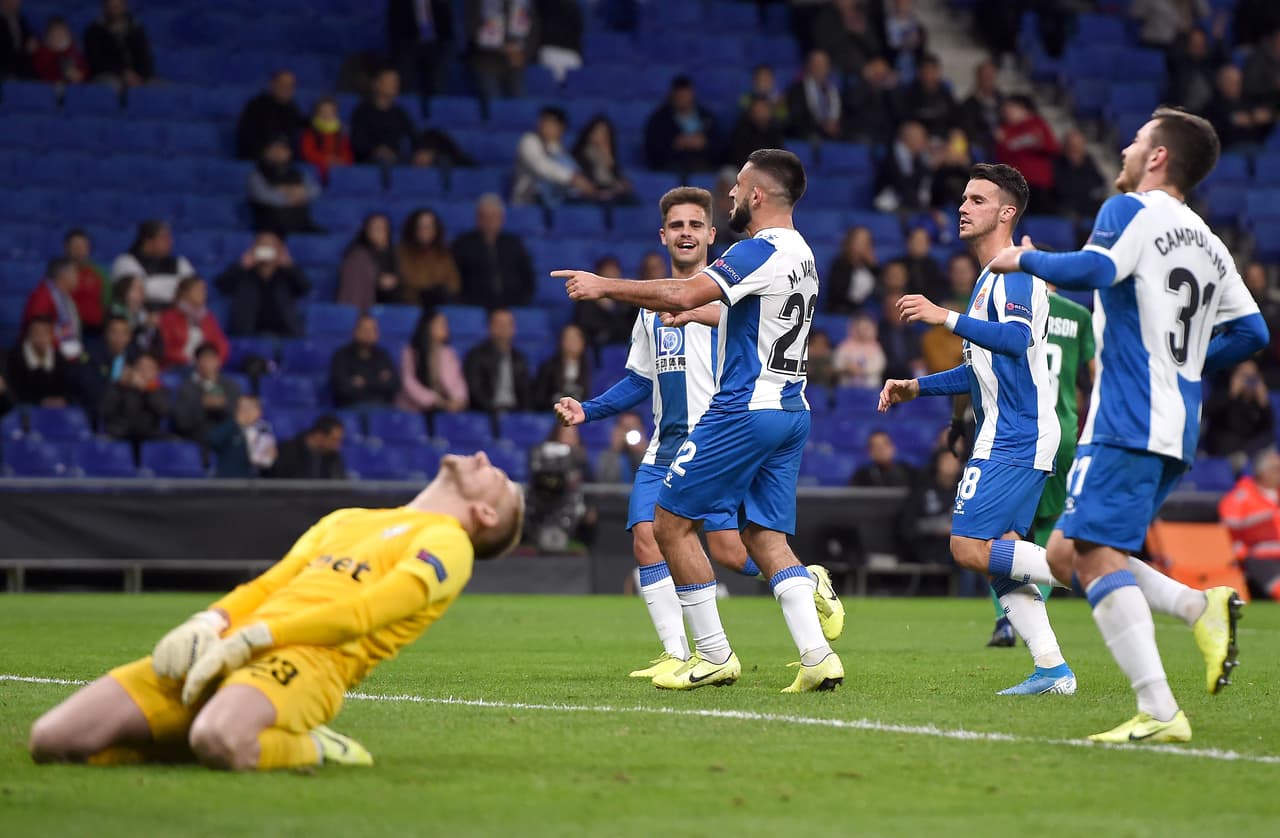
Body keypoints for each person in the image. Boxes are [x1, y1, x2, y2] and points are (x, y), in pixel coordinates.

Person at [988, 107, 1270, 742]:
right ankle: (1198, 608)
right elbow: (1253, 331)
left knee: (1086, 552)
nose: (1125, 147)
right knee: (1066, 553)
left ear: (1159, 157)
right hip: (1176, 425)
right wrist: (1188, 367)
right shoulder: (1210, 241)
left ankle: (1161, 709)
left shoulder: (1131, 211)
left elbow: (1095, 271)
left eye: (1138, 139)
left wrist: (1025, 260)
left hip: (1126, 418)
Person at [27, 452, 523, 771]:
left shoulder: (449, 545)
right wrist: (210, 621)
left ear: (486, 515)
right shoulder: (348, 519)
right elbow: (269, 584)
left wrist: (256, 638)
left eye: (495, 475)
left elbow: (362, 614)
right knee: (52, 741)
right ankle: (189, 731)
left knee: (221, 740)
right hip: (238, 640)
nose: (482, 456)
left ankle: (316, 747)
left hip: (309, 661)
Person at [558, 149, 844, 692]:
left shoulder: (756, 250)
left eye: (738, 187)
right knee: (762, 537)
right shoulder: (802, 252)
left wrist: (604, 286)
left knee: (668, 524)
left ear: (757, 195)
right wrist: (696, 312)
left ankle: (712, 655)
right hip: (791, 408)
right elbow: (732, 309)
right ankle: (817, 655)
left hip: (744, 408)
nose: (732, 195)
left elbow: (688, 290)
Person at [877, 163, 1075, 696]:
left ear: (1007, 213)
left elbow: (1015, 341)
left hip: (1018, 432)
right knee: (1001, 553)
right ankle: (1053, 670)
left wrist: (942, 316)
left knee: (967, 547)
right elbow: (981, 368)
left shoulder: (1014, 273)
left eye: (977, 200)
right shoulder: (990, 278)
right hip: (1004, 430)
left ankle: (1104, 574)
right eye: (964, 198)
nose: (963, 207)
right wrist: (917, 388)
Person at [981, 284, 1095, 647]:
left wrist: (956, 423)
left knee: (997, 529)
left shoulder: (1007, 301)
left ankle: (1006, 618)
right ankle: (1035, 618)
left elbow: (976, 366)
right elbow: (1098, 376)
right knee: (1048, 529)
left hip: (1016, 431)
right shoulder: (1079, 316)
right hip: (1063, 433)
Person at [216, 234, 311, 338]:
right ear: (254, 249)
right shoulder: (243, 274)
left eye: (270, 247)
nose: (266, 250)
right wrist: (241, 265)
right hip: (250, 333)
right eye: (262, 246)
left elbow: (305, 288)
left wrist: (290, 266)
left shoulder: (286, 275)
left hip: (285, 334)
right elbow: (222, 285)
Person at [451, 194, 535, 309]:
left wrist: (522, 301)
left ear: (501, 218)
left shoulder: (514, 244)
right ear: (478, 219)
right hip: (475, 305)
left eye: (494, 217)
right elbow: (455, 279)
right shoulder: (462, 245)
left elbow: (527, 276)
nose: (490, 222)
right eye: (486, 217)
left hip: (512, 305)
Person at [1219, 448, 1280, 601]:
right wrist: (1243, 554)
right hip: (1260, 557)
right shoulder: (1241, 497)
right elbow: (1228, 532)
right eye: (1276, 469)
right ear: (1262, 472)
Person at [511, 106, 595, 207]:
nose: (543, 125)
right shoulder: (529, 141)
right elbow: (541, 166)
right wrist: (572, 178)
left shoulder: (561, 151)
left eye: (550, 122)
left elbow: (576, 175)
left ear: (561, 128)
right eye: (542, 120)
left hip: (559, 203)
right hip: (528, 203)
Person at [1202, 360, 1274, 469]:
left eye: (1253, 377)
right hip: (1224, 453)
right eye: (1245, 376)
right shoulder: (1224, 395)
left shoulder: (1258, 403)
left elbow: (1268, 431)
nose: (1249, 381)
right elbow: (1207, 413)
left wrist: (1264, 404)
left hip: (1250, 454)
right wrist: (1231, 392)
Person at [396, 309, 468, 417]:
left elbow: (458, 381)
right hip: (415, 408)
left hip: (445, 407)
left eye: (446, 324)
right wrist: (434, 400)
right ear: (427, 327)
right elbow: (409, 382)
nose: (445, 327)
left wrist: (458, 399)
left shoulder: (449, 353)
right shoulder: (411, 352)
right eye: (440, 323)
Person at [993, 96, 1059, 213]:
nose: (1006, 112)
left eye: (1011, 108)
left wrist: (1038, 144)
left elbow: (1053, 148)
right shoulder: (1005, 131)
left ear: (1023, 109)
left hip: (1040, 184)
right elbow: (1001, 157)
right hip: (1015, 185)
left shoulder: (1038, 124)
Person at [111, 220, 196, 308]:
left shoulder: (180, 263)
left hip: (175, 318)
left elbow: (193, 291)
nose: (170, 242)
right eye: (164, 238)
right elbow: (138, 291)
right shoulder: (125, 261)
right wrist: (177, 288)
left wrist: (150, 284)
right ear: (148, 241)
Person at [464, 0, 539, 99]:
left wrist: (524, 54)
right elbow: (471, 29)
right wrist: (503, 47)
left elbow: (534, 29)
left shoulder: (524, 2)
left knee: (520, 102)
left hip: (515, 62)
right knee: (494, 101)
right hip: (486, 60)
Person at [248, 137, 323, 235]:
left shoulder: (299, 173)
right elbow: (262, 196)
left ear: (289, 153)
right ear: (266, 152)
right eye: (274, 149)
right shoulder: (256, 175)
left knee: (323, 238)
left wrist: (301, 193)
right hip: (270, 228)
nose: (278, 153)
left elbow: (316, 191)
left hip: (300, 224)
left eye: (282, 149)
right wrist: (291, 196)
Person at [644, 75, 718, 174]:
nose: (683, 99)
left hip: (703, 165)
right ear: (673, 96)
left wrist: (704, 143)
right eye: (679, 96)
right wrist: (675, 144)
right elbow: (652, 150)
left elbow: (719, 147)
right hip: (671, 166)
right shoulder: (659, 119)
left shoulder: (707, 117)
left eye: (685, 95)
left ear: (692, 94)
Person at [463, 308, 531, 414]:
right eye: (499, 324)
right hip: (486, 413)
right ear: (490, 327)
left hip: (515, 413)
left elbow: (526, 391)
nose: (504, 328)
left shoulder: (519, 358)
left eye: (508, 324)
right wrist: (493, 410)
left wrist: (522, 412)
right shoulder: (476, 356)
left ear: (514, 328)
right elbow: (475, 390)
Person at [173, 343, 242, 444]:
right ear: (197, 362)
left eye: (211, 359)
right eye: (204, 359)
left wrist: (223, 406)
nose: (207, 364)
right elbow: (182, 422)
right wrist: (202, 405)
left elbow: (238, 416)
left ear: (218, 361)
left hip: (227, 434)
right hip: (199, 435)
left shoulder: (229, 386)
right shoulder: (186, 387)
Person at [388, 0, 455, 101]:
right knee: (406, 83)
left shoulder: (439, 3)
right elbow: (395, 24)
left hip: (434, 47)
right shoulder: (400, 3)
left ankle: (436, 110)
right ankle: (408, 108)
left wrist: (444, 41)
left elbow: (446, 21)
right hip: (409, 47)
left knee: (437, 85)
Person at [100, 351, 168, 447]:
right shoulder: (120, 387)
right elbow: (105, 410)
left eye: (149, 368)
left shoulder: (159, 390)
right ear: (134, 369)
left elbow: (163, 410)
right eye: (141, 367)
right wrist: (120, 386)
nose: (144, 372)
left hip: (148, 438)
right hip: (121, 436)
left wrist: (145, 389)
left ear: (156, 373)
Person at [329, 315, 399, 409]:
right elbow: (342, 389)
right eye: (364, 329)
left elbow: (394, 384)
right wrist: (378, 381)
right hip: (352, 407)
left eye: (372, 330)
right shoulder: (341, 356)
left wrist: (362, 382)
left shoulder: (383, 355)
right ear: (355, 332)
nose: (368, 333)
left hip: (381, 406)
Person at [235, 70, 306, 162]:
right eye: (282, 85)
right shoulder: (256, 105)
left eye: (290, 86)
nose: (286, 89)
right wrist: (265, 151)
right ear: (272, 85)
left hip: (284, 155)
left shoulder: (292, 108)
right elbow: (246, 135)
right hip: (257, 154)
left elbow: (300, 125)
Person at [158, 277, 229, 369]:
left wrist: (215, 360)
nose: (203, 293)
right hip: (178, 366)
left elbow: (220, 343)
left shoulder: (207, 317)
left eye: (204, 290)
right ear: (185, 293)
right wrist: (190, 360)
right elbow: (165, 348)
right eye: (198, 290)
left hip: (205, 366)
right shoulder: (169, 317)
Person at [22, 258, 83, 362]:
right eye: (75, 273)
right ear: (64, 275)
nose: (78, 277)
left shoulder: (65, 297)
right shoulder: (42, 297)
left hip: (64, 355)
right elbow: (38, 333)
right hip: (47, 360)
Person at [397, 209, 461, 308]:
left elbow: (454, 284)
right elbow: (407, 282)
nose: (426, 230)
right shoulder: (401, 253)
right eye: (421, 226)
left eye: (430, 226)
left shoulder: (444, 253)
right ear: (413, 228)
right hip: (412, 305)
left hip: (440, 304)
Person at [83, 0, 154, 88]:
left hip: (137, 76)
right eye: (111, 6)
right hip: (108, 75)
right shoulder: (94, 31)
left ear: (125, 6)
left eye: (118, 6)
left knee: (160, 88)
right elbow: (96, 62)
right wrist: (122, 72)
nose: (115, 9)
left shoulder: (136, 29)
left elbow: (145, 57)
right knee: (113, 85)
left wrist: (139, 76)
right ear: (105, 8)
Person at [571, 256, 635, 351]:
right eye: (607, 275)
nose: (611, 279)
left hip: (626, 351)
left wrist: (611, 309)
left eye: (614, 275)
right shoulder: (585, 301)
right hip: (595, 353)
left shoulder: (628, 303)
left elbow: (628, 332)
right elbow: (588, 333)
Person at [338, 213, 400, 311]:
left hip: (390, 306)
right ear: (366, 231)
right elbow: (354, 294)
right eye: (376, 228)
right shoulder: (357, 257)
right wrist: (377, 279)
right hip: (364, 310)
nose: (381, 232)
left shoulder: (395, 253)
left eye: (384, 228)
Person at [6, 317, 72, 407]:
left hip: (55, 411)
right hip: (25, 411)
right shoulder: (15, 358)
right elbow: (13, 393)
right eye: (36, 333)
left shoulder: (59, 358)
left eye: (45, 333)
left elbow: (68, 389)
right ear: (29, 335)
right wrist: (40, 402)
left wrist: (61, 400)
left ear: (52, 335)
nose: (41, 337)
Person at [207, 394, 276, 478]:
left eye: (250, 407)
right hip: (231, 483)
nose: (245, 411)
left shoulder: (264, 429)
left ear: (259, 412)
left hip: (257, 483)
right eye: (242, 408)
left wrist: (271, 457)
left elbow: (268, 460)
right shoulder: (230, 428)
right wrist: (236, 422)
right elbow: (212, 441)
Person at [571, 115, 634, 204]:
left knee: (631, 200)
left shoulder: (609, 155)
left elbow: (622, 181)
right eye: (598, 132)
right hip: (591, 195)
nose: (601, 136)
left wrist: (608, 162)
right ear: (590, 133)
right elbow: (585, 181)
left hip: (611, 194)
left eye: (605, 133)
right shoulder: (579, 155)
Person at [785, 49, 843, 142]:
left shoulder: (834, 91)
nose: (820, 68)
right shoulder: (797, 90)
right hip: (807, 133)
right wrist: (822, 126)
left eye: (823, 64)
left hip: (832, 135)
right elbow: (796, 118)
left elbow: (840, 116)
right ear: (809, 66)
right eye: (816, 64)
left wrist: (834, 126)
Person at [269, 415, 347, 480]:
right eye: (334, 440)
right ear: (319, 436)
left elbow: (340, 485)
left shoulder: (333, 456)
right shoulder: (287, 451)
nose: (338, 446)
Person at [64, 229, 109, 338]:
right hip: (67, 330)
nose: (79, 250)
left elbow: (107, 303)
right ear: (66, 248)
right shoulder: (60, 274)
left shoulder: (99, 273)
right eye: (75, 246)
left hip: (96, 332)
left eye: (83, 246)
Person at [533, 323, 591, 408]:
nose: (572, 343)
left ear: (583, 343)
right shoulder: (548, 367)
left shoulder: (589, 367)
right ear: (561, 341)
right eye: (569, 338)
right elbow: (540, 398)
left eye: (576, 338)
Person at [826, 226, 880, 315]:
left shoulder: (872, 268)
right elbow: (839, 294)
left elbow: (880, 293)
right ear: (850, 242)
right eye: (859, 241)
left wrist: (874, 267)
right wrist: (853, 261)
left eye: (866, 241)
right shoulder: (839, 265)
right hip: (840, 311)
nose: (862, 245)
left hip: (865, 312)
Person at [298, 97, 354, 184]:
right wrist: (326, 159)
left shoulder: (341, 132)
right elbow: (307, 152)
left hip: (339, 170)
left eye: (330, 111)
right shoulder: (311, 131)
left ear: (335, 113)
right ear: (317, 113)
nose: (327, 114)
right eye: (323, 111)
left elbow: (347, 152)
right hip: (318, 170)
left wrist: (341, 161)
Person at [726, 93, 787, 171]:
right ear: (751, 112)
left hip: (768, 171)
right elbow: (738, 157)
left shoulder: (775, 130)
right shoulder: (742, 130)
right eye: (758, 109)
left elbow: (780, 156)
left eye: (764, 109)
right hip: (743, 170)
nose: (761, 113)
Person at [592, 411, 648, 484]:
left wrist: (642, 453)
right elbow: (604, 482)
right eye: (625, 428)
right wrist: (615, 450)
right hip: (615, 494)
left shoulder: (652, 454)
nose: (629, 432)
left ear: (642, 430)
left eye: (633, 428)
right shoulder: (606, 456)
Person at [833, 314, 886, 387]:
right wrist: (847, 367)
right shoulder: (845, 346)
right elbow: (837, 363)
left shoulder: (875, 347)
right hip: (847, 387)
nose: (862, 332)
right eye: (859, 328)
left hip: (870, 388)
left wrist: (862, 370)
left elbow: (880, 365)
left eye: (865, 329)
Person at [32, 16, 88, 84]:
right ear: (48, 37)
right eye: (55, 34)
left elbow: (84, 70)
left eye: (62, 33)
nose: (59, 37)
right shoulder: (42, 54)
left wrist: (79, 75)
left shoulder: (75, 53)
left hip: (75, 90)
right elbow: (41, 72)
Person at [0, 0, 36, 81]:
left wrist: (31, 44)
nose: (13, 3)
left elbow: (27, 43)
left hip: (21, 70)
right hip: (4, 70)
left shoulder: (20, 20)